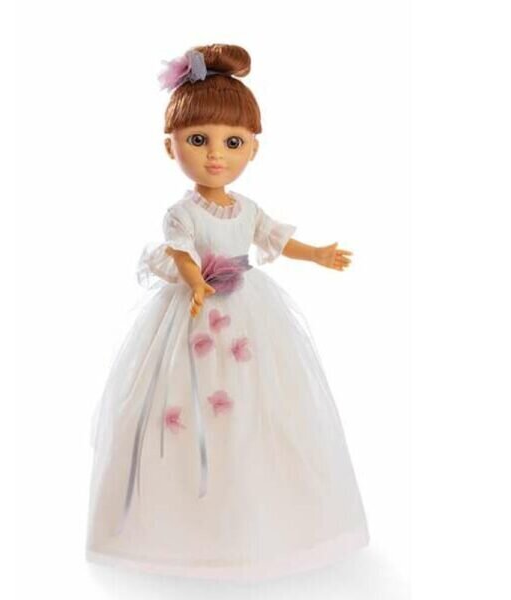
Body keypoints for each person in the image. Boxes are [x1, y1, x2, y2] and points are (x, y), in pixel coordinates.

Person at [86, 43, 369, 582]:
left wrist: (317, 254)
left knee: (260, 404)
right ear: (170, 146)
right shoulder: (182, 212)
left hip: (249, 312)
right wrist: (195, 283)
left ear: (252, 149)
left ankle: (261, 517)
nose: (216, 155)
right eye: (199, 140)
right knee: (186, 403)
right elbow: (180, 253)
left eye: (232, 142)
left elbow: (274, 239)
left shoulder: (248, 209)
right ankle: (185, 519)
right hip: (194, 314)